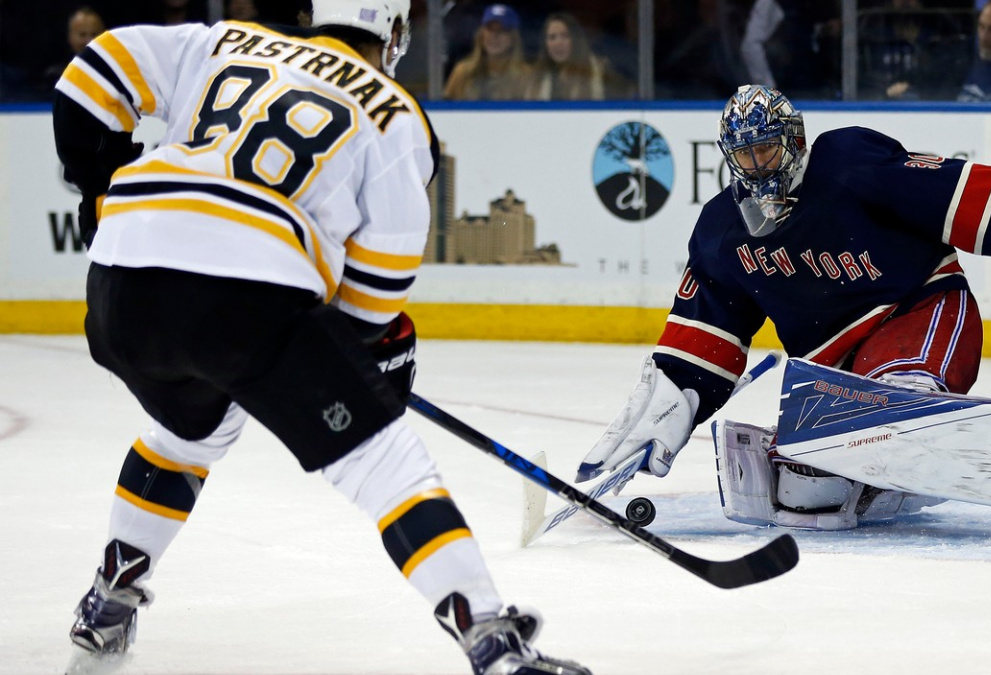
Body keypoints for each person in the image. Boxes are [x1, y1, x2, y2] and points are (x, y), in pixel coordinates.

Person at [51, 1, 590, 674]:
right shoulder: (394, 113)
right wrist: (355, 359)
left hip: (120, 283)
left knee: (189, 433)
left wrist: (99, 187)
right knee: (386, 466)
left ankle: (108, 600)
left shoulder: (223, 41)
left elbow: (91, 72)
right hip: (244, 294)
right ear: (394, 31)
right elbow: (377, 290)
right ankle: (490, 640)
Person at [575, 84, 991, 532]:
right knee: (801, 488)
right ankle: (883, 469)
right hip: (836, 372)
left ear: (793, 140)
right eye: (743, 153)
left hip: (919, 314)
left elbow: (946, 194)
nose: (757, 163)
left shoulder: (846, 161)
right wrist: (673, 400)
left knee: (897, 407)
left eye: (766, 147)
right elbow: (702, 345)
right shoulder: (721, 231)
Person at [739, 0, 841, 99]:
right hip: (787, 88)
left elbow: (810, 33)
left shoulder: (815, 5)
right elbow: (750, 45)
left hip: (819, 87)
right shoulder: (771, 3)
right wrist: (767, 87)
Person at [443, 3, 529, 101]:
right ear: (481, 34)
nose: (494, 36)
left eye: (502, 31)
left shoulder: (526, 76)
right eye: (490, 29)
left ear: (513, 38)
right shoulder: (462, 72)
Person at [526, 11, 610, 101]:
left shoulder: (600, 70)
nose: (558, 43)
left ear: (576, 40)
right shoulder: (535, 77)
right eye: (552, 37)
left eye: (565, 36)